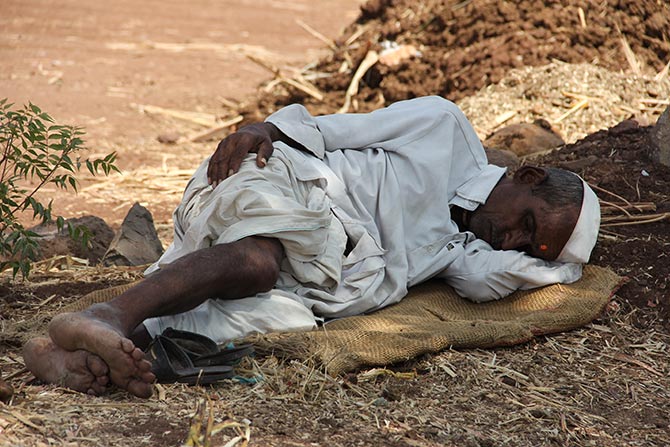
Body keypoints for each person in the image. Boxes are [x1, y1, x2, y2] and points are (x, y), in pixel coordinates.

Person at [23, 96, 600, 398]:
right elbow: (329, 131)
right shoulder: (444, 130)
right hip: (284, 181)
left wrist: (564, 262)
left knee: (266, 316)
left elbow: (504, 280)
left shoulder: (467, 256)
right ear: (525, 176)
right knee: (257, 259)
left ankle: (69, 354)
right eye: (527, 222)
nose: (516, 240)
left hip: (314, 267)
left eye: (532, 247)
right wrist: (263, 130)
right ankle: (107, 313)